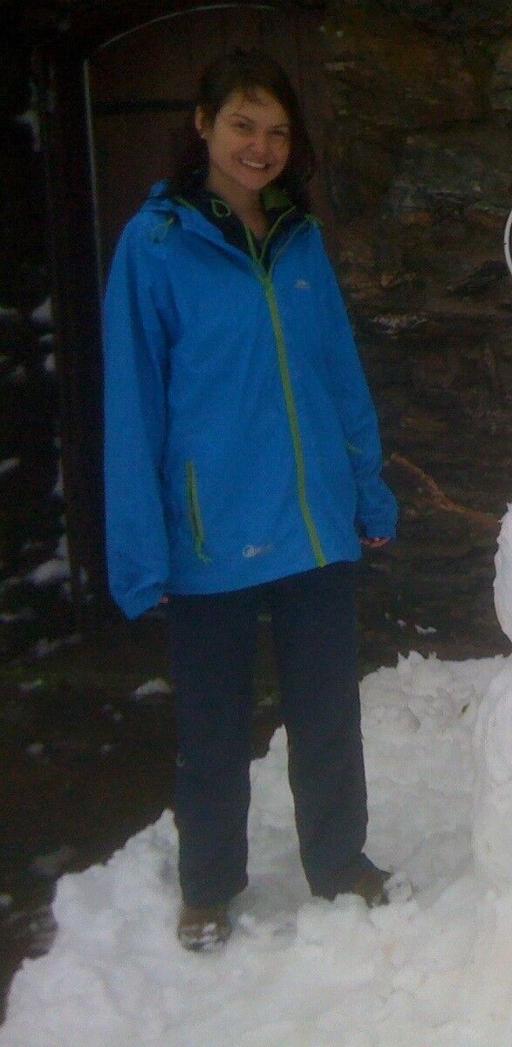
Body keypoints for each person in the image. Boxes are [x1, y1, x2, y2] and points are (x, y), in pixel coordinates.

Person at [102, 49, 398, 951]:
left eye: (276, 131)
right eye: (243, 124)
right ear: (203, 125)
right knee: (214, 731)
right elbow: (133, 404)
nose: (260, 146)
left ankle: (341, 863)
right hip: (209, 534)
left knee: (327, 717)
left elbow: (339, 376)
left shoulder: (301, 242)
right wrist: (141, 548)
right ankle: (208, 887)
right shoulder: (154, 248)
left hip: (313, 523)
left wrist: (368, 489)